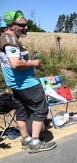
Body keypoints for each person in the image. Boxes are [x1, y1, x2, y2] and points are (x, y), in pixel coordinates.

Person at [0, 10, 56, 153]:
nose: (26, 27)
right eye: (22, 25)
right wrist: (34, 63)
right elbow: (15, 64)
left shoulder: (6, 38)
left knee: (21, 111)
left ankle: (26, 140)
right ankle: (35, 143)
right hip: (26, 83)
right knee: (41, 109)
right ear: (11, 25)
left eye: (26, 24)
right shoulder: (10, 40)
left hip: (16, 84)